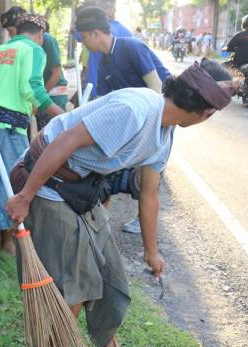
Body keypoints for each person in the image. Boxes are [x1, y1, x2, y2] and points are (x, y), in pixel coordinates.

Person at [7, 59, 235, 347]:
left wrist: (151, 251)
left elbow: (149, 195)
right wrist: (25, 196)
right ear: (206, 112)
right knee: (75, 282)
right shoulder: (135, 110)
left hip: (83, 189)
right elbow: (64, 141)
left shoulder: (164, 135)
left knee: (112, 279)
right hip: (47, 182)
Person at [76, 6, 171, 234]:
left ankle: (143, 219)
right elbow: (106, 102)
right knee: (113, 167)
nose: (83, 44)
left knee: (147, 177)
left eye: (83, 39)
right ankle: (99, 219)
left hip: (159, 117)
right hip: (135, 120)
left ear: (95, 34)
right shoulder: (104, 60)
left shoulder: (131, 47)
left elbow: (157, 90)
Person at [0, 14, 64, 254]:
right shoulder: (33, 49)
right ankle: (9, 240)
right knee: (15, 181)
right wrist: (60, 115)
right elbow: (31, 87)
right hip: (10, 126)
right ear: (40, 34)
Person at [0, 7, 69, 130]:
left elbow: (56, 74)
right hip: (36, 95)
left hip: (51, 94)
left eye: (11, 31)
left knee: (50, 135)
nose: (11, 36)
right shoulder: (18, 46)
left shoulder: (45, 41)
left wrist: (37, 100)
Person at [75, 0, 132, 98]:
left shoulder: (93, 29)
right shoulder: (127, 33)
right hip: (118, 92)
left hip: (95, 88)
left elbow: (78, 35)